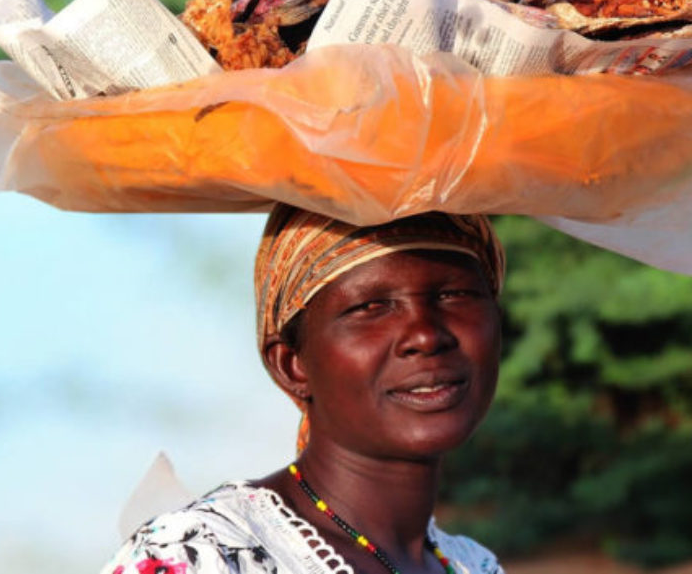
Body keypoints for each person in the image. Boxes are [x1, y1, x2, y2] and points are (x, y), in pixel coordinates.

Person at [100, 204, 507, 574]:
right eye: (370, 306)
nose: (425, 334)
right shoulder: (205, 553)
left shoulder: (473, 565)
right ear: (292, 364)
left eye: (455, 294)